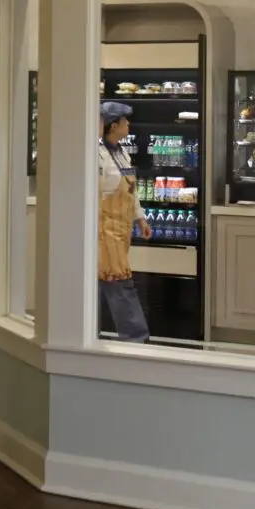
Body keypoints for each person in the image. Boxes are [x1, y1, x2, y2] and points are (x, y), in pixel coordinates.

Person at [99, 101, 152, 343]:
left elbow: (131, 191)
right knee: (120, 280)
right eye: (125, 121)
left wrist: (140, 218)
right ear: (113, 125)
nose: (128, 124)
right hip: (104, 228)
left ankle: (89, 332)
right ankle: (136, 337)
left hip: (121, 227)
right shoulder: (95, 153)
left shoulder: (122, 152)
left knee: (103, 280)